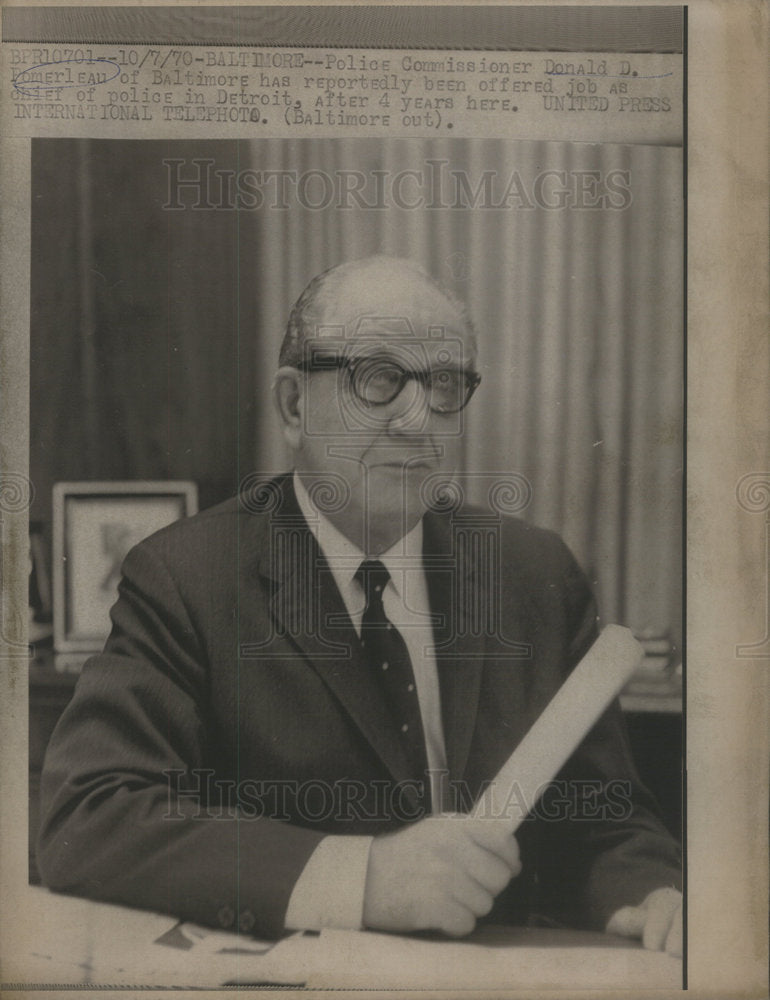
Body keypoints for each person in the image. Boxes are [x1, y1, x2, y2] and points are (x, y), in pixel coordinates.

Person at [37, 255, 682, 952]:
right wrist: (363, 879)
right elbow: (89, 816)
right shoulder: (187, 579)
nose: (416, 420)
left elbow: (607, 823)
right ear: (293, 406)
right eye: (376, 380)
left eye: (444, 385)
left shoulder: (532, 573)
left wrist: (646, 893)